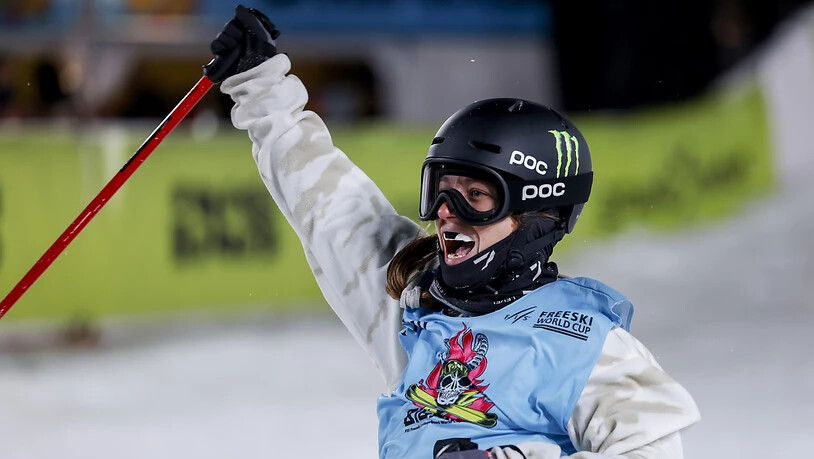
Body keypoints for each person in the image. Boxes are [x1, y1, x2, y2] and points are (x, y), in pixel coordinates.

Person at [205, 6, 700, 458]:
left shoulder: (583, 345)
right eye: (441, 191)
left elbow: (648, 451)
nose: (446, 212)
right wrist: (261, 84)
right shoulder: (414, 304)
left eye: (476, 196)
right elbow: (335, 209)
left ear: (537, 215)